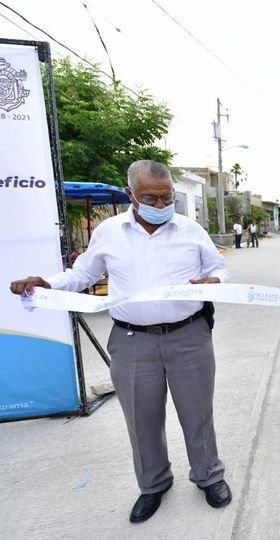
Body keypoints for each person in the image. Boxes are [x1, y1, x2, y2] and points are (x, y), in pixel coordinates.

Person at [9, 160, 232, 523]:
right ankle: (153, 484)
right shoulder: (110, 232)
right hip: (132, 341)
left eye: (167, 198)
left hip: (189, 336)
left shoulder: (190, 230)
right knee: (141, 418)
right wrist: (47, 284)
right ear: (131, 194)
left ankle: (209, 476)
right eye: (151, 198)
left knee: (197, 413)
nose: (160, 206)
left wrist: (216, 282)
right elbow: (84, 273)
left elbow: (219, 268)